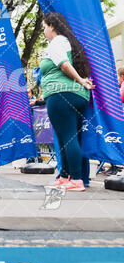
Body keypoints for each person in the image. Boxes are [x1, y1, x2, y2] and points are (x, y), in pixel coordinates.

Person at [40, 12, 94, 192]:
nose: (44, 31)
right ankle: (64, 177)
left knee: (67, 137)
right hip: (76, 96)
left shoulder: (56, 42)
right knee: (66, 137)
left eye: (44, 27)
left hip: (61, 95)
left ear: (52, 26)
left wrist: (79, 80)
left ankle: (76, 180)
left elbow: (64, 64)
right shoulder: (68, 42)